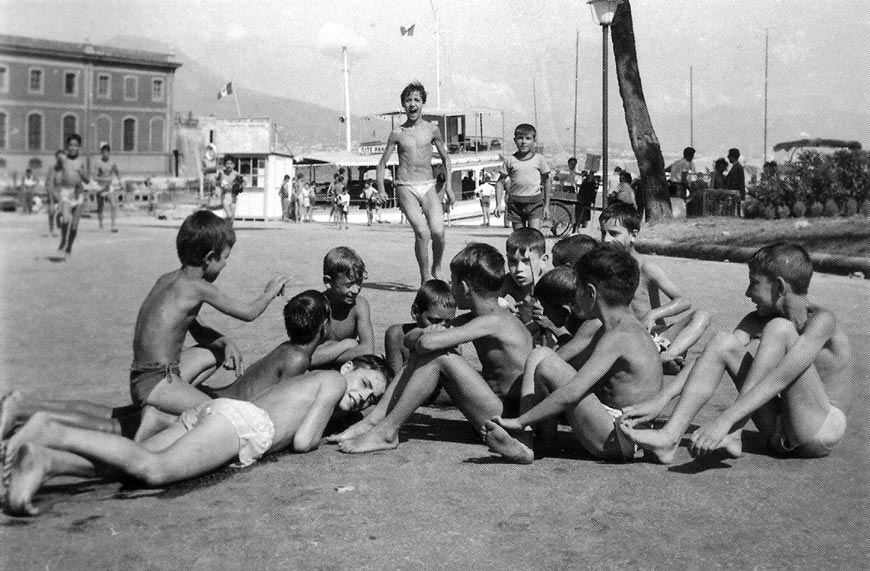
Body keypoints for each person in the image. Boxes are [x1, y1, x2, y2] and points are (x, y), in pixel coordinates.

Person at [4, 354, 390, 516]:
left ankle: (46, 460)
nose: (362, 397)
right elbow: (305, 441)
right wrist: (332, 436)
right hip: (242, 424)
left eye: (370, 398)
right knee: (155, 469)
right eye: (364, 382)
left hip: (220, 414)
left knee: (124, 467)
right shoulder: (332, 384)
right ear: (349, 367)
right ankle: (54, 431)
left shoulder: (312, 379)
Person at [1, 290, 331, 448]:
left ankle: (25, 408)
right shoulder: (298, 360)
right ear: (325, 325)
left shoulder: (288, 350)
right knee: (120, 430)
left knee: (116, 416)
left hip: (205, 393)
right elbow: (278, 413)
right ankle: (37, 424)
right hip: (210, 406)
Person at [621, 243, 854, 464]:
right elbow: (709, 359)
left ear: (780, 287)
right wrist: (660, 401)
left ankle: (734, 432)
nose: (747, 292)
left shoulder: (823, 321)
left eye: (754, 283)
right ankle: (669, 438)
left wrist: (726, 420)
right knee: (722, 341)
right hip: (782, 425)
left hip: (820, 430)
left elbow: (782, 377)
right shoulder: (759, 318)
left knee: (778, 329)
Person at [329, 243, 534, 458]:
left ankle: (387, 431)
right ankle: (373, 422)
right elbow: (410, 340)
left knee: (438, 357)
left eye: (452, 282)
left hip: (510, 422)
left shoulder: (494, 320)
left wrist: (430, 336)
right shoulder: (477, 318)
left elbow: (427, 344)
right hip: (494, 414)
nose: (451, 287)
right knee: (428, 352)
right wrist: (429, 333)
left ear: (464, 287)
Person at [486, 244, 664, 462]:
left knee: (547, 365)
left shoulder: (620, 335)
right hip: (615, 427)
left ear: (590, 292)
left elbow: (572, 391)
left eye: (576, 290)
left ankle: (524, 436)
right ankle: (538, 442)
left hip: (621, 438)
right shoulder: (620, 327)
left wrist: (520, 419)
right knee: (542, 354)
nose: (575, 298)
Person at [599, 203, 712, 373]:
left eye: (614, 233)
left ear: (633, 235)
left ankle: (667, 356)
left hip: (655, 336)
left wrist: (653, 314)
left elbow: (683, 301)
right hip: (624, 338)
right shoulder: (603, 266)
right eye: (603, 233)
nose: (606, 239)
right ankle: (659, 363)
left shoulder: (646, 267)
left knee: (702, 315)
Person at [377, 82, 454, 284]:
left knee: (438, 232)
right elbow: (382, 163)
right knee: (422, 231)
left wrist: (450, 188)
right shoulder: (397, 133)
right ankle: (425, 277)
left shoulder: (433, 130)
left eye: (416, 100)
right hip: (405, 185)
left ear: (423, 104)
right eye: (408, 100)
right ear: (403, 104)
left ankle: (437, 268)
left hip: (428, 184)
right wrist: (382, 188)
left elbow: (446, 158)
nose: (412, 104)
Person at [310, 247, 376, 368]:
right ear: (328, 282)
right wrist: (347, 344)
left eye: (359, 282)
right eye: (349, 285)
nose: (356, 290)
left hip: (347, 368)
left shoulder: (359, 305)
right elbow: (309, 357)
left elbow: (368, 350)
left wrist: (325, 354)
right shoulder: (314, 307)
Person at [384, 279, 457, 384]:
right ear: (415, 312)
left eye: (448, 322)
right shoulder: (397, 335)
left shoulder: (452, 340)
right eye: (434, 321)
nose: (441, 327)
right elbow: (394, 380)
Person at [495, 123, 551, 231]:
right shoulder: (510, 160)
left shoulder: (539, 159)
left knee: (535, 237)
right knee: (519, 239)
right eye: (520, 138)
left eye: (528, 138)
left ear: (534, 140)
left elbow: (547, 180)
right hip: (515, 204)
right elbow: (500, 182)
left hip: (535, 203)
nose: (524, 142)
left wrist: (547, 206)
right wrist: (498, 204)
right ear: (515, 140)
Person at [499, 228, 553, 341]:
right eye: (513, 261)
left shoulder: (551, 283)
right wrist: (500, 302)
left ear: (543, 261)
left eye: (526, 262)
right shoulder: (508, 282)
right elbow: (487, 301)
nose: (519, 269)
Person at [56, 134, 91, 258]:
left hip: (78, 194)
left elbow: (87, 180)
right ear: (67, 146)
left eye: (76, 145)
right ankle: (63, 239)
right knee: (65, 220)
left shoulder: (81, 162)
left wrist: (82, 173)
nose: (73, 147)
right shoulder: (63, 159)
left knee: (74, 226)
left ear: (79, 147)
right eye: (70, 145)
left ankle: (69, 247)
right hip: (66, 193)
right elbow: (58, 156)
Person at [94, 143, 121, 232]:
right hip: (101, 186)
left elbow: (117, 172)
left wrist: (120, 180)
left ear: (109, 153)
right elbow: (94, 176)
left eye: (106, 152)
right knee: (100, 207)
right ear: (101, 153)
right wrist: (103, 179)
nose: (105, 154)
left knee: (113, 205)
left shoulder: (112, 163)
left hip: (109, 187)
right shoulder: (98, 163)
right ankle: (101, 225)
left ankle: (113, 226)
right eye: (103, 153)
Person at [215, 156, 244, 227]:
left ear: (234, 165)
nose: (229, 165)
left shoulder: (236, 174)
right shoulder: (221, 173)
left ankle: (228, 230)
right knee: (229, 215)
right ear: (224, 165)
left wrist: (240, 186)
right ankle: (221, 225)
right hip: (225, 196)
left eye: (231, 163)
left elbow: (244, 182)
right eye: (227, 163)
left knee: (232, 218)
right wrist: (219, 188)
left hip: (233, 196)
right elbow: (217, 183)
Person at [44, 149, 64, 236]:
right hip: (53, 192)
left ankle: (59, 219)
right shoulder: (52, 169)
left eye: (62, 157)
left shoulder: (66, 169)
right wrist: (51, 198)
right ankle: (51, 230)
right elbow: (48, 184)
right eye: (59, 157)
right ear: (56, 158)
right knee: (51, 212)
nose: (61, 159)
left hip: (63, 193)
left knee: (63, 210)